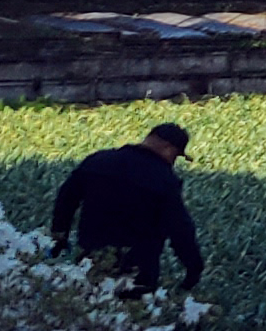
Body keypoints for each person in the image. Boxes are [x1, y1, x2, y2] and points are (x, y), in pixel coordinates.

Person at [50, 121, 203, 294]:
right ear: (169, 148)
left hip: (90, 258)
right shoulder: (164, 180)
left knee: (87, 304)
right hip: (137, 268)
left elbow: (66, 198)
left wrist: (59, 235)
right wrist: (194, 267)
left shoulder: (98, 161)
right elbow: (180, 229)